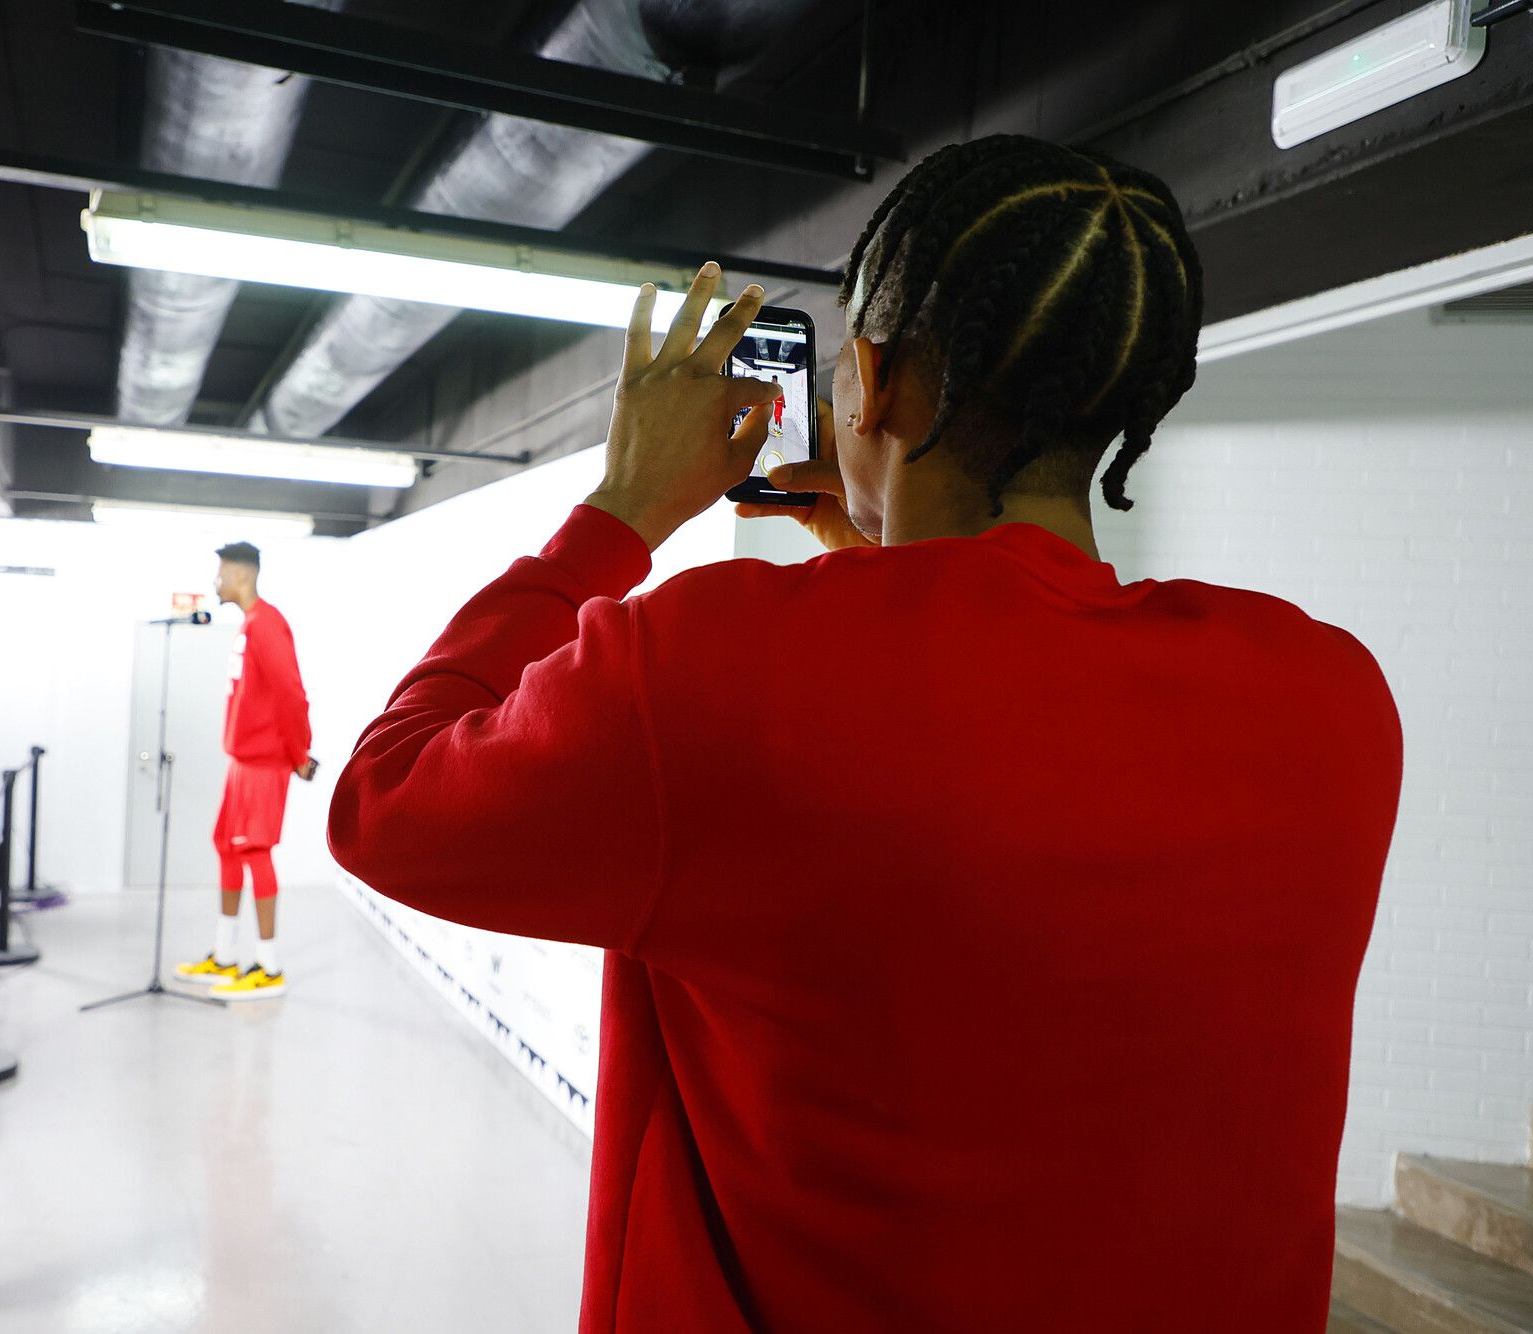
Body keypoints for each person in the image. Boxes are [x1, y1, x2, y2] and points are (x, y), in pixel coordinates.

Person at [328, 136, 1403, 1332]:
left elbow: (384, 797)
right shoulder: (1330, 694)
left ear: (871, 383)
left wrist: (619, 511)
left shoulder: (700, 666)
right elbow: (994, 754)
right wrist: (879, 572)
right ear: (1123, 402)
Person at [179, 541, 314, 1001]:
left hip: (265, 761)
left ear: (241, 575)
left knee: (255, 851)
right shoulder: (249, 625)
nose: (216, 582)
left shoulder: (269, 624)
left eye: (221, 574)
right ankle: (224, 954)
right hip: (241, 761)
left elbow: (291, 694)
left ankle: (269, 967)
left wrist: (299, 754)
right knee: (227, 847)